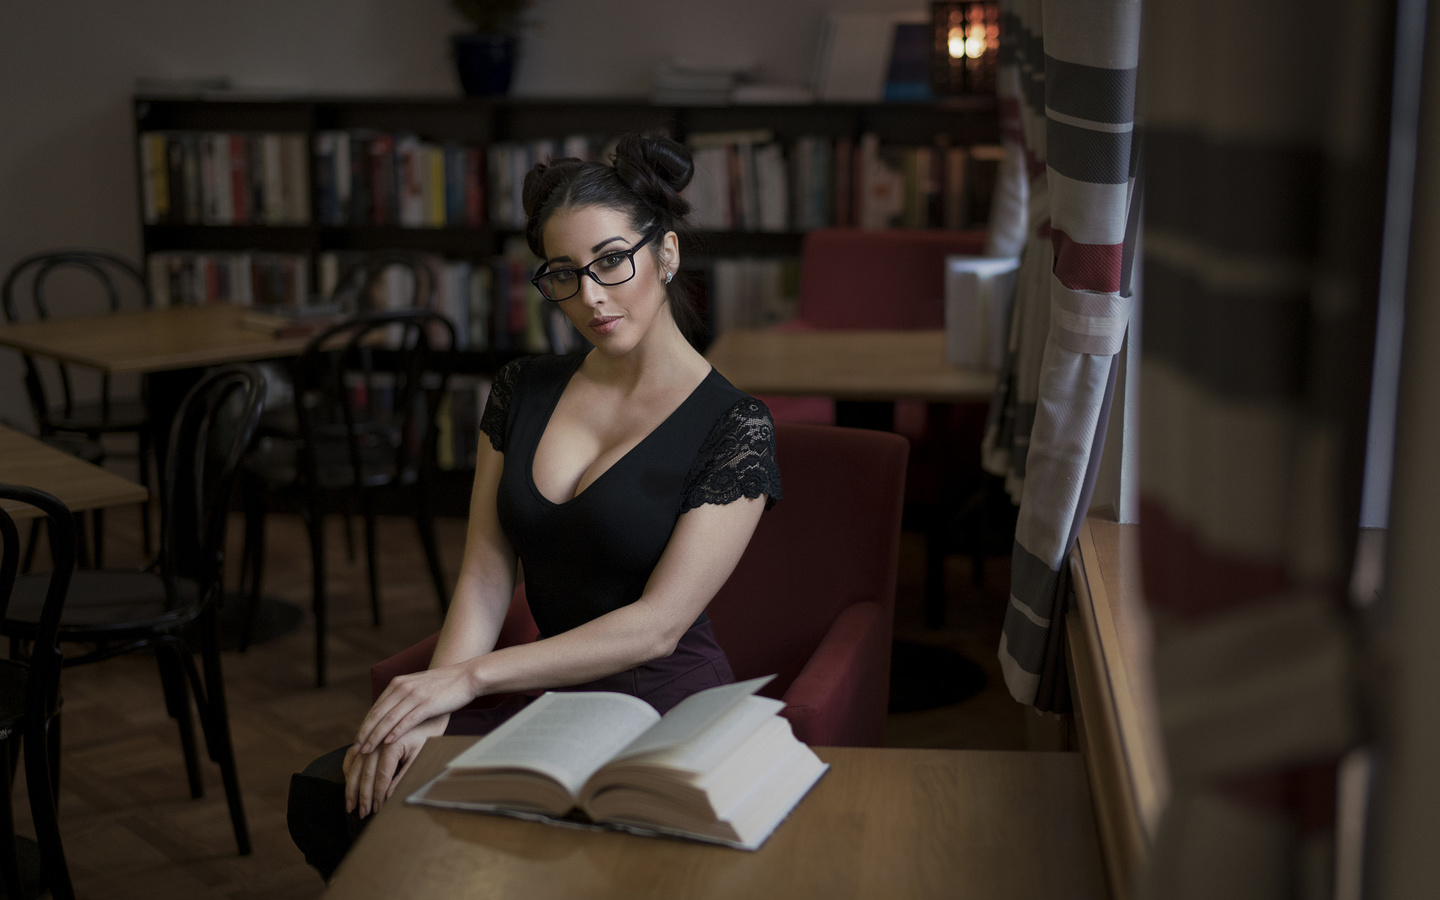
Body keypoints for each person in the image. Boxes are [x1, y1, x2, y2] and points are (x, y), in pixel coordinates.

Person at [287, 133, 782, 880]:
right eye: (563, 274)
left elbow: (658, 628)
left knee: (561, 864)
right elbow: (485, 578)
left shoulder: (734, 425)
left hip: (663, 707)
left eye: (612, 260)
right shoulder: (523, 388)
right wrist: (435, 711)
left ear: (667, 253)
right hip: (547, 702)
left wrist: (471, 679)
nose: (590, 297)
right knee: (344, 799)